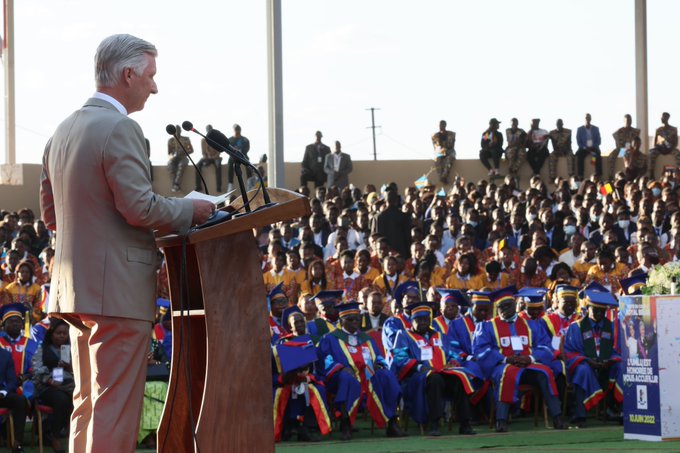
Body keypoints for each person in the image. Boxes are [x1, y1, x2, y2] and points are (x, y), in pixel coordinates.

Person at [39, 34, 213, 453]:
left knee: (89, 405)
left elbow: (51, 218)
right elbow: (139, 208)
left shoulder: (61, 131)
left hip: (74, 290)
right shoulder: (120, 127)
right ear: (128, 74)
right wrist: (193, 210)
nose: (154, 87)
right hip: (116, 290)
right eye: (151, 76)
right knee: (115, 408)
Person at [473, 287, 567, 432]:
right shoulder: (487, 327)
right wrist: (505, 359)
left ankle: (557, 417)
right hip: (503, 366)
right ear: (496, 309)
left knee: (546, 373)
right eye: (501, 307)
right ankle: (501, 420)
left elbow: (545, 346)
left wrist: (530, 358)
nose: (505, 309)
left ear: (515, 304)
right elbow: (481, 350)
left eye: (508, 305)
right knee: (507, 374)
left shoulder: (531, 324)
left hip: (530, 364)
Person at [316, 302, 405, 440]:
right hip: (343, 376)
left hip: (368, 375)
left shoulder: (366, 338)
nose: (354, 323)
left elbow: (379, 357)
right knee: (346, 379)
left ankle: (391, 422)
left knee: (386, 376)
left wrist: (379, 365)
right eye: (349, 320)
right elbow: (325, 360)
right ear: (341, 321)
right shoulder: (331, 338)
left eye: (357, 319)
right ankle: (346, 423)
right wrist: (341, 368)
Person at [391, 302, 476, 436]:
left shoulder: (439, 335)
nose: (424, 323)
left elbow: (454, 354)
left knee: (460, 379)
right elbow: (400, 359)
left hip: (442, 373)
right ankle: (434, 423)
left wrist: (453, 362)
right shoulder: (404, 336)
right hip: (417, 377)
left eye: (426, 319)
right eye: (419, 320)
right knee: (435, 379)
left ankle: (465, 423)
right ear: (412, 321)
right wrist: (420, 366)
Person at [564, 289, 623, 427]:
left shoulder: (611, 326)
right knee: (583, 370)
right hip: (586, 364)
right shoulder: (576, 327)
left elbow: (617, 349)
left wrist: (611, 360)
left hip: (606, 366)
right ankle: (580, 415)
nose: (599, 314)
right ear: (587, 308)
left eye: (602, 311)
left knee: (620, 367)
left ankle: (621, 411)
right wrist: (587, 360)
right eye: (595, 310)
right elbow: (570, 352)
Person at [31, 319, 74, 453]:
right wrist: (49, 380)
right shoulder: (42, 348)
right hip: (46, 386)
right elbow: (36, 371)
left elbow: (81, 370)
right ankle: (55, 437)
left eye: (64, 333)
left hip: (66, 384)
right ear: (51, 334)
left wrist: (70, 366)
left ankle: (68, 432)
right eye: (58, 333)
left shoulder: (70, 349)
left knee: (77, 396)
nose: (62, 336)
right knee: (61, 399)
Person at [0, 346, 27, 453]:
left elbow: (12, 381)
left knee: (20, 400)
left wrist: (4, 392)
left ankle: (17, 443)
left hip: (1, 394)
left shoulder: (5, 355)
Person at [374, 190, 412, 259]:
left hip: (382, 254)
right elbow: (408, 239)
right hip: (401, 254)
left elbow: (375, 238)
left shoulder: (378, 217)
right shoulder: (404, 217)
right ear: (397, 200)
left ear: (385, 200)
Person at [608, 114, 640, 179]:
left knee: (629, 156)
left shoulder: (635, 131)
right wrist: (623, 149)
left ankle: (629, 174)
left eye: (630, 120)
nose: (629, 122)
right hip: (621, 149)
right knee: (612, 156)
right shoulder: (619, 131)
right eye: (627, 120)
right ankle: (611, 175)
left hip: (631, 149)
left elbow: (636, 142)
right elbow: (617, 143)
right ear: (624, 121)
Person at [648, 112, 680, 178]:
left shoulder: (673, 129)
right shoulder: (658, 130)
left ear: (667, 118)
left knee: (678, 154)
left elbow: (676, 142)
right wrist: (661, 149)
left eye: (663, 117)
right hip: (660, 149)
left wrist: (669, 149)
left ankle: (678, 173)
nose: (662, 118)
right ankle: (651, 174)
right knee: (651, 153)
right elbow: (655, 143)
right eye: (661, 117)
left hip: (670, 149)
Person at [195, 124, 222, 193]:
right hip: (207, 158)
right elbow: (203, 152)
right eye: (208, 130)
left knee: (218, 166)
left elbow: (219, 151)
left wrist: (213, 157)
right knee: (198, 165)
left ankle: (219, 187)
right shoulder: (203, 140)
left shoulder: (217, 139)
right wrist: (207, 158)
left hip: (216, 158)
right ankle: (198, 186)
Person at [167, 124, 193, 193]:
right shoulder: (171, 140)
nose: (178, 131)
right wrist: (173, 156)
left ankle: (176, 184)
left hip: (183, 157)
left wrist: (184, 151)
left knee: (181, 166)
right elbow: (169, 153)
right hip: (174, 158)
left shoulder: (186, 139)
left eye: (179, 130)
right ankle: (174, 186)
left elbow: (191, 150)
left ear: (181, 131)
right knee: (170, 165)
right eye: (176, 130)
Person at [575, 113, 602, 178]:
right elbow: (578, 142)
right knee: (580, 156)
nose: (587, 119)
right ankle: (580, 175)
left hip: (594, 148)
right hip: (584, 148)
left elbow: (598, 141)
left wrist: (593, 146)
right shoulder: (580, 129)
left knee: (597, 155)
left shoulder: (596, 129)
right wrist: (585, 147)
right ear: (584, 119)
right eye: (586, 118)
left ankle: (598, 175)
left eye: (588, 117)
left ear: (590, 119)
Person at [227, 124, 251, 193]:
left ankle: (249, 182)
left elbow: (247, 148)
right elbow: (227, 149)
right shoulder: (230, 140)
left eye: (238, 131)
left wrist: (240, 151)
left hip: (243, 155)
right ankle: (230, 184)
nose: (237, 132)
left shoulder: (245, 140)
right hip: (233, 156)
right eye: (236, 131)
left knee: (248, 163)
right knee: (230, 162)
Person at [431, 120, 456, 184]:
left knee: (450, 158)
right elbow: (435, 147)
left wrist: (446, 151)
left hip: (450, 151)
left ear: (445, 125)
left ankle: (444, 177)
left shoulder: (451, 134)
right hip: (439, 152)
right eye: (440, 125)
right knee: (437, 160)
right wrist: (441, 151)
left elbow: (451, 145)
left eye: (442, 125)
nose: (441, 126)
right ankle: (441, 177)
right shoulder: (435, 136)